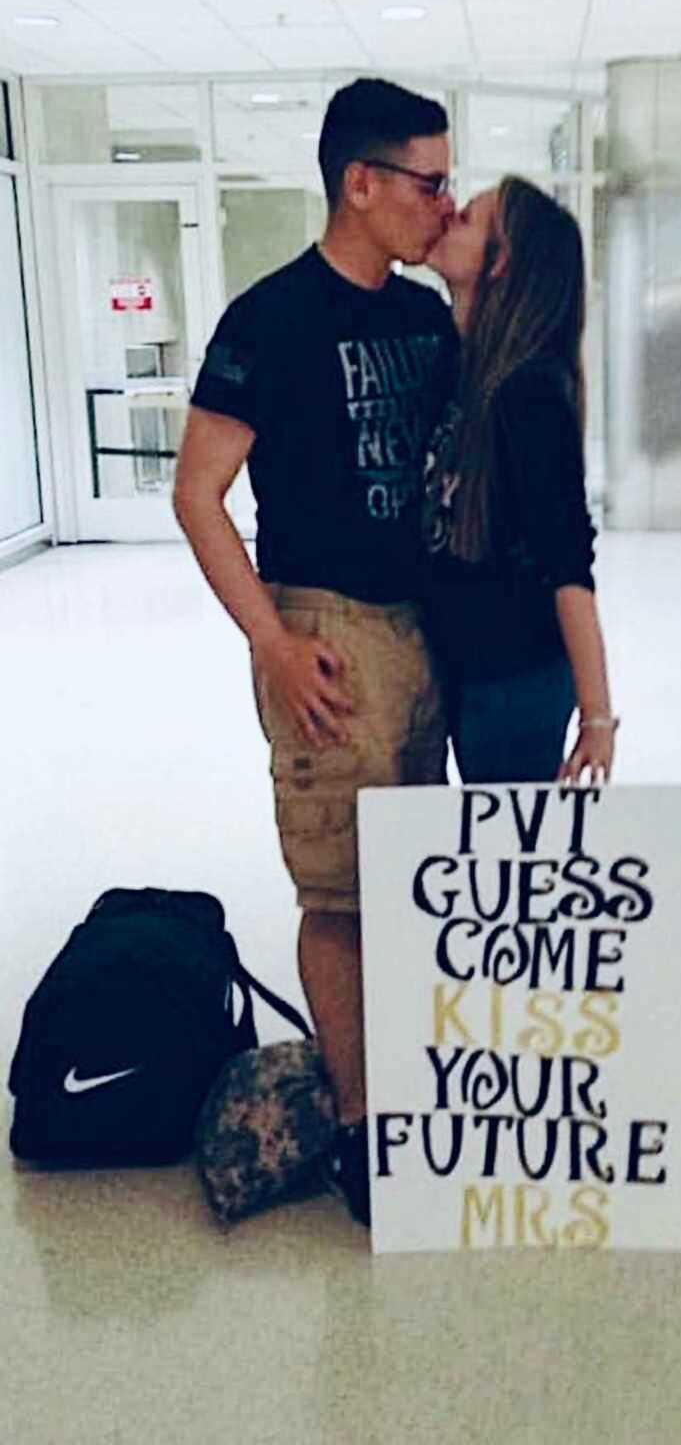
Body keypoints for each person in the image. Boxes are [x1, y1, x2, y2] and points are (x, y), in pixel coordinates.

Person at [173, 78, 459, 1227]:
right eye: (429, 183)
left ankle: (415, 1090)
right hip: (324, 630)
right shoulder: (269, 319)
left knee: (412, 876)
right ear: (361, 183)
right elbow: (198, 494)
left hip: (424, 630)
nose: (444, 203)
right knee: (338, 892)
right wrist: (273, 641)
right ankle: (357, 1128)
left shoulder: (425, 316)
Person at [422, 176, 616, 787]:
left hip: (515, 680)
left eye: (469, 220)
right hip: (459, 665)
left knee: (512, 862)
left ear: (500, 263)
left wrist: (599, 717)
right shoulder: (460, 365)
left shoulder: (529, 390)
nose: (448, 215)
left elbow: (568, 561)